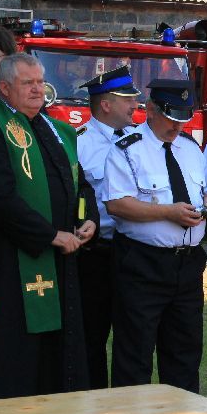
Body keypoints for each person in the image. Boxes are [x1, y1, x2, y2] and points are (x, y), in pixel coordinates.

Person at [0, 53, 97, 401]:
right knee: (19, 347)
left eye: (40, 81)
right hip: (14, 260)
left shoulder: (54, 128)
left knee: (60, 342)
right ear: (5, 88)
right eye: (28, 83)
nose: (38, 89)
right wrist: (51, 236)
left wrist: (87, 219)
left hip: (63, 256)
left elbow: (80, 185)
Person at [103, 78, 207, 414]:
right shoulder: (127, 149)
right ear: (151, 110)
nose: (177, 126)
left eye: (183, 118)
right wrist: (168, 212)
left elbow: (201, 189)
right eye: (170, 118)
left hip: (187, 261)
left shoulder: (189, 148)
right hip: (143, 260)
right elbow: (117, 204)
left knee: (185, 347)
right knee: (135, 348)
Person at [75, 65, 140, 390]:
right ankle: (94, 403)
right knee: (92, 333)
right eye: (127, 99)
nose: (135, 106)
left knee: (132, 336)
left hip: (133, 250)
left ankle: (127, 408)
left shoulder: (139, 142)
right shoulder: (79, 145)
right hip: (96, 253)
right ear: (105, 104)